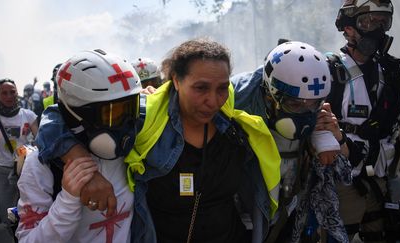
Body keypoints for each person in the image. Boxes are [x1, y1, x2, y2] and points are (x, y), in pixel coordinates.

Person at [35, 38, 281, 243]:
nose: (213, 101)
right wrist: (81, 164)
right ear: (175, 80)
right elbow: (56, 116)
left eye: (221, 88)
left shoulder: (235, 123)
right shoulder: (146, 118)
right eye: (201, 88)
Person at [231, 41, 351, 243]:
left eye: (314, 103)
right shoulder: (235, 101)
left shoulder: (319, 116)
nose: (305, 112)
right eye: (295, 104)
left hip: (289, 215)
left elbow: (344, 168)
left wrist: (337, 138)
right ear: (270, 95)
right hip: (239, 217)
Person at [16, 49, 140, 243]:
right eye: (113, 114)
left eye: (131, 109)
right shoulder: (40, 166)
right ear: (77, 114)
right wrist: (68, 200)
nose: (126, 125)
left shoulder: (135, 149)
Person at [328, 0, 400, 241]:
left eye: (383, 22)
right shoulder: (328, 71)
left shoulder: (391, 74)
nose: (378, 30)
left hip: (380, 182)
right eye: (369, 22)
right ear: (348, 28)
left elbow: (396, 133)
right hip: (342, 183)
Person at [0, 79, 38, 230]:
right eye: (4, 93)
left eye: (12, 92)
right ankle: (15, 233)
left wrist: (35, 145)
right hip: (4, 172)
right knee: (7, 213)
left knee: (31, 210)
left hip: (26, 170)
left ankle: (27, 235)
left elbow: (40, 141)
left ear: (17, 93)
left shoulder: (29, 115)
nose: (9, 96)